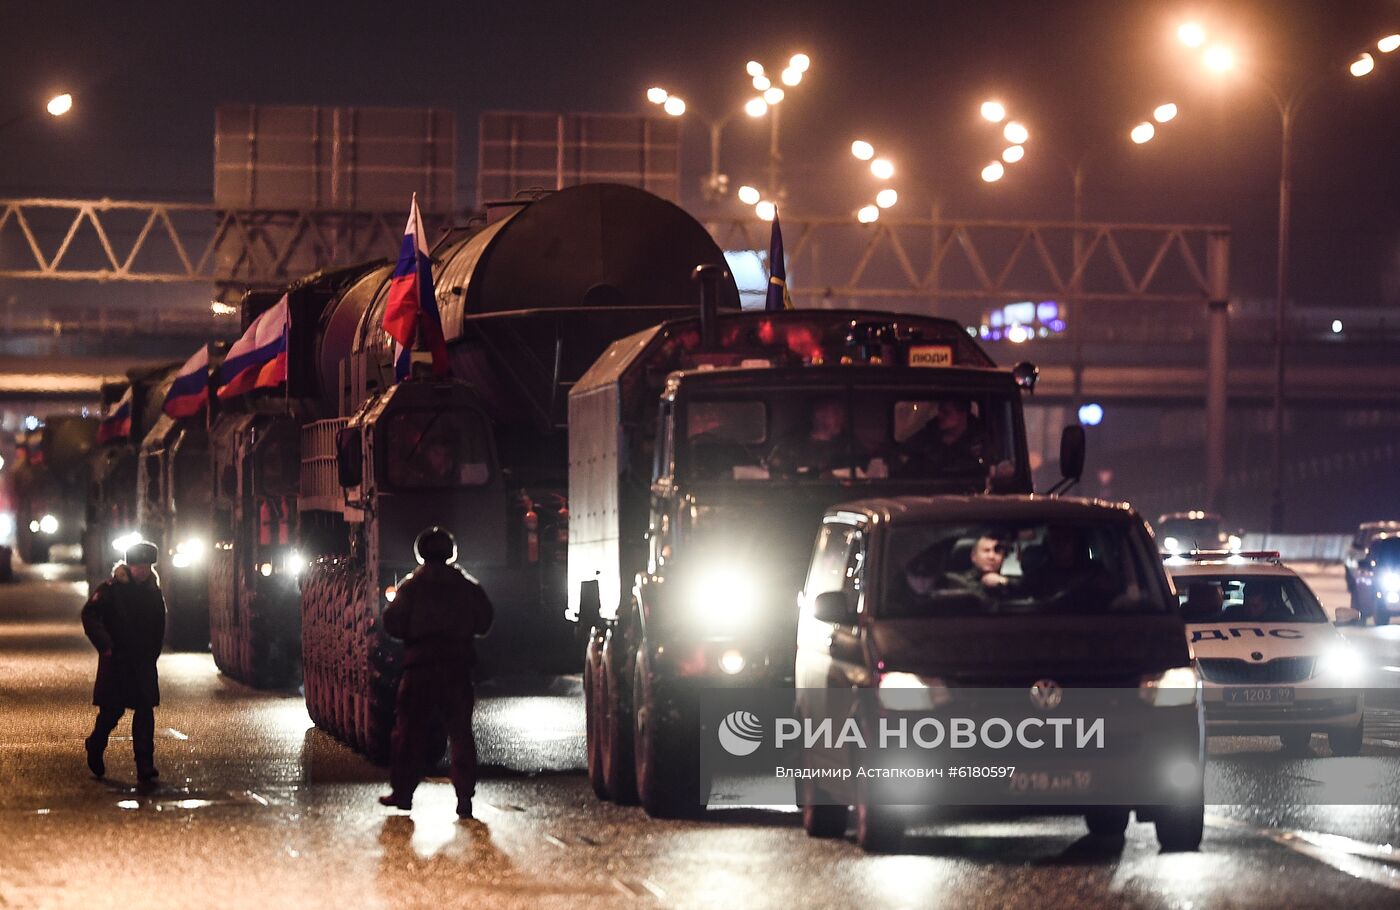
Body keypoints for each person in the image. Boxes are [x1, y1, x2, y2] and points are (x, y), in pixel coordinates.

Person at [379, 527, 495, 819]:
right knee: (460, 735)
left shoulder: (411, 585)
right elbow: (484, 621)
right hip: (456, 669)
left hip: (419, 669)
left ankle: (403, 794)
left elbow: (392, 623)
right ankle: (464, 797)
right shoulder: (467, 585)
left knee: (409, 734)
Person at [81, 540, 166, 782]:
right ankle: (95, 745)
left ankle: (145, 765)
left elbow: (159, 624)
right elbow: (90, 614)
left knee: (144, 713)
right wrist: (105, 644)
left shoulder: (153, 591)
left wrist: (153, 653)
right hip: (117, 659)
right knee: (111, 712)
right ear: (130, 566)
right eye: (139, 566)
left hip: (142, 661)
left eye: (147, 566)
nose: (143, 571)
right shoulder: (112, 589)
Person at [896, 398, 987, 476]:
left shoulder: (980, 441)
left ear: (962, 414)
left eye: (946, 412)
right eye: (939, 410)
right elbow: (905, 453)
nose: (939, 415)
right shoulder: (926, 436)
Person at [766, 397, 854, 478]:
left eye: (837, 413)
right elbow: (774, 468)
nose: (836, 417)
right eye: (825, 413)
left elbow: (860, 470)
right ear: (815, 415)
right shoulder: (791, 441)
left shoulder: (849, 444)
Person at [944, 535, 1012, 594]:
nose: (991, 556)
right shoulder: (956, 581)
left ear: (1003, 557)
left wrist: (1004, 583)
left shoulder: (1009, 581)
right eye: (986, 550)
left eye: (997, 552)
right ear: (973, 556)